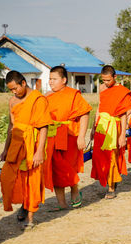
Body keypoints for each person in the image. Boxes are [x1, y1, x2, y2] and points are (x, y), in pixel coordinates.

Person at [0, 70, 52, 230]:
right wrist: (5, 148)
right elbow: (11, 125)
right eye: (11, 90)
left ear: (23, 83)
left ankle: (30, 217)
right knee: (9, 177)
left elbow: (43, 126)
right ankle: (23, 204)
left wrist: (39, 151)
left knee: (32, 179)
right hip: (16, 144)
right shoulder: (12, 101)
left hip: (32, 144)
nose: (14, 92)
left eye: (15, 88)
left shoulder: (38, 99)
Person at [45, 66, 91, 211]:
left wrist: (81, 137)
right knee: (56, 169)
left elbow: (84, 114)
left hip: (70, 135)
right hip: (53, 136)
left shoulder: (73, 94)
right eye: (50, 79)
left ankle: (75, 190)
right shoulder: (47, 97)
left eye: (54, 79)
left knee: (69, 167)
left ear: (64, 80)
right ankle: (61, 203)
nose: (51, 82)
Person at [90, 65, 131, 199]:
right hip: (101, 126)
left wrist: (122, 135)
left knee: (112, 156)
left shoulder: (122, 91)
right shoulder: (102, 89)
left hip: (115, 126)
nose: (105, 83)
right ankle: (106, 179)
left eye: (108, 80)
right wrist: (93, 127)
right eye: (103, 80)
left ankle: (111, 187)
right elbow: (99, 108)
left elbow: (123, 114)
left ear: (115, 77)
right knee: (99, 156)